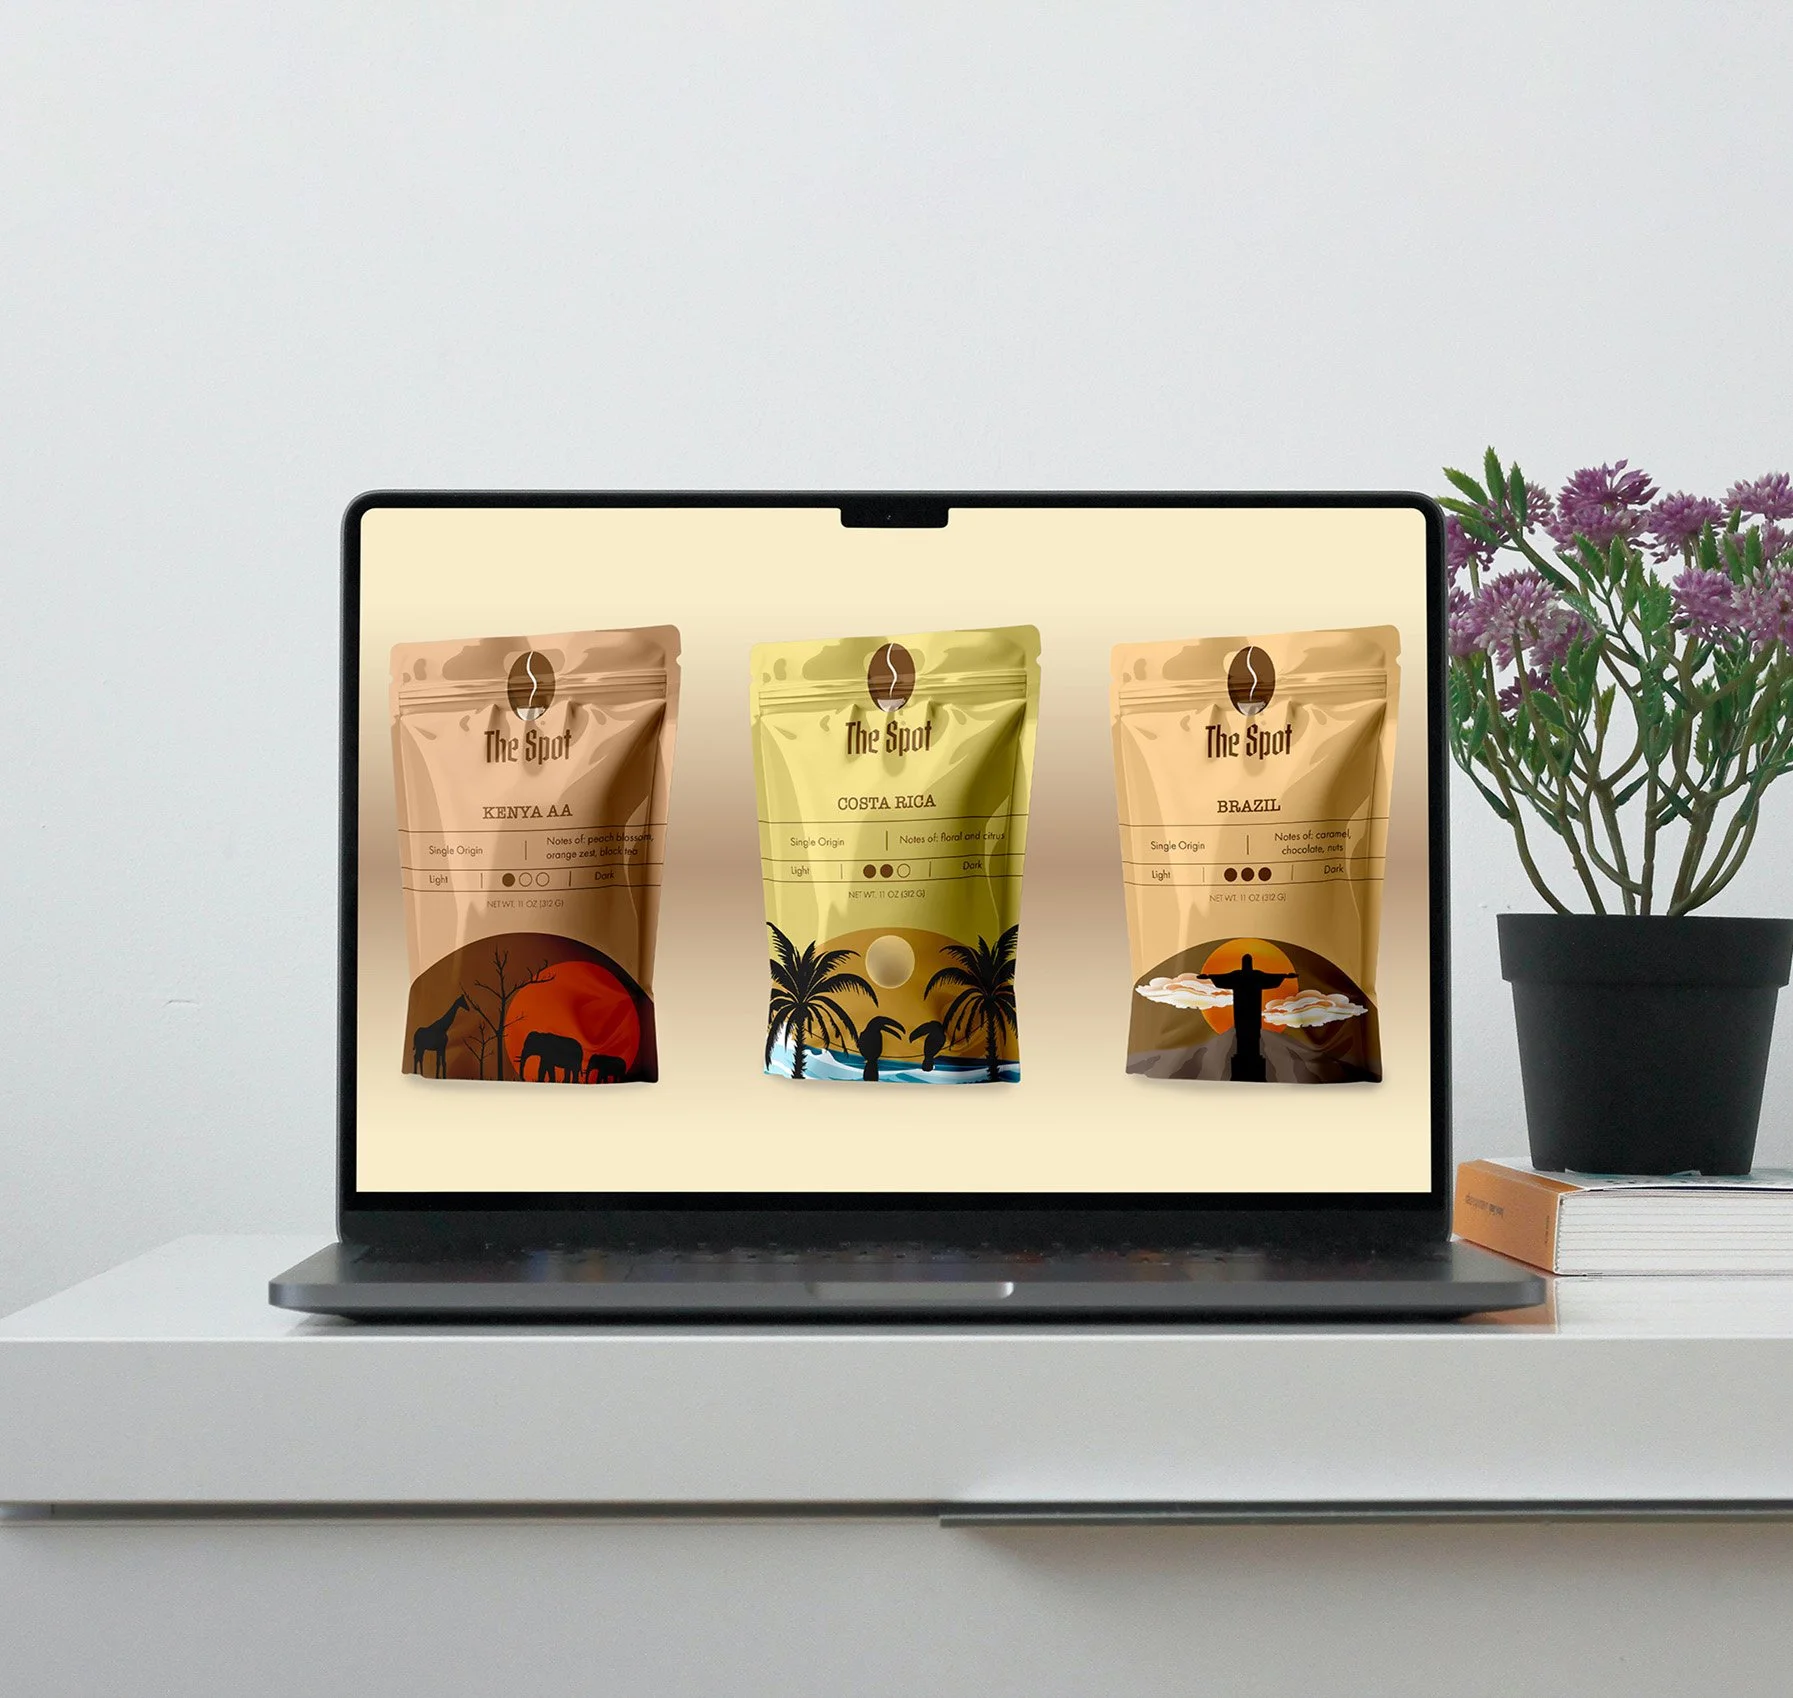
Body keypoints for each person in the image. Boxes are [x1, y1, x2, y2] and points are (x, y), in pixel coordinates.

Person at [1207, 953, 1296, 1082]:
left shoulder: (1251, 976)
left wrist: (1286, 976)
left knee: (1253, 1034)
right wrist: (1209, 977)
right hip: (1243, 1011)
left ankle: (1252, 1057)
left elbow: (1271, 978)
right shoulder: (1242, 976)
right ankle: (1244, 1057)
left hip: (1251, 1011)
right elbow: (1223, 978)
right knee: (1242, 1034)